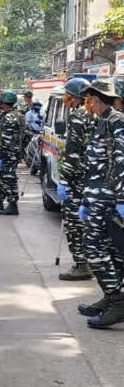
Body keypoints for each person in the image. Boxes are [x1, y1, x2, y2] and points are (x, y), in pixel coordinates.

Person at [75, 79, 124, 328]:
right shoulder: (100, 122)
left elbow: (121, 161)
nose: (88, 104)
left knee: (93, 248)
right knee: (109, 251)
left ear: (98, 99)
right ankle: (110, 297)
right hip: (96, 195)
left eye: (90, 100)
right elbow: (94, 165)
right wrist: (85, 198)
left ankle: (117, 301)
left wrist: (122, 199)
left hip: (109, 197)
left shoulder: (117, 122)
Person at [56, 78, 95, 281]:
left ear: (74, 97)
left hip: (77, 178)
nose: (65, 99)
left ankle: (82, 265)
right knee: (88, 223)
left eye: (67, 96)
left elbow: (73, 152)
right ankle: (90, 261)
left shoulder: (78, 116)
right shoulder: (93, 114)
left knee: (73, 223)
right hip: (92, 176)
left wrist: (64, 180)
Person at [0, 90, 23, 216]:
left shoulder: (9, 117)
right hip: (12, 152)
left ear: (3, 102)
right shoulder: (14, 114)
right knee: (3, 177)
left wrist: (0, 156)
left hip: (9, 153)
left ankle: (13, 204)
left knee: (9, 179)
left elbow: (6, 140)